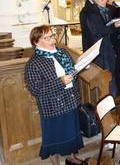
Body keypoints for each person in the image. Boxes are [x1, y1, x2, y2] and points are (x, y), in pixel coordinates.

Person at [25, 25, 85, 165]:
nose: (52, 40)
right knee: (55, 137)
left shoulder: (61, 52)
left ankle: (71, 157)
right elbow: (36, 89)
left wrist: (80, 68)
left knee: (71, 131)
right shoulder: (34, 63)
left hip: (70, 99)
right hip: (52, 106)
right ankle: (55, 162)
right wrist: (61, 82)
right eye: (47, 38)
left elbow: (71, 72)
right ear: (36, 42)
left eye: (52, 36)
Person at [79, 0, 120, 97]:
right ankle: (106, 103)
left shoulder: (103, 9)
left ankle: (111, 101)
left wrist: (117, 25)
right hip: (98, 49)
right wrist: (115, 25)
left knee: (110, 74)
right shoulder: (88, 11)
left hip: (107, 47)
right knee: (103, 77)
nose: (105, 1)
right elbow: (96, 31)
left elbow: (107, 26)